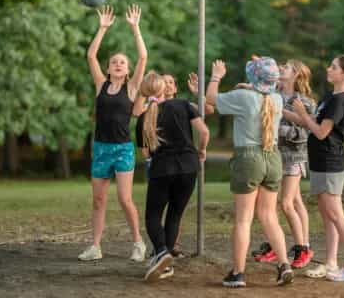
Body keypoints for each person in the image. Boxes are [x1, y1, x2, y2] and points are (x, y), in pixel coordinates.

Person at [206, 56, 294, 288]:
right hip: (273, 157)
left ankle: (238, 273)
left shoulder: (243, 97)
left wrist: (216, 76)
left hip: (249, 157)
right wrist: (251, 84)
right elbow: (261, 92)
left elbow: (210, 99)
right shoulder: (276, 98)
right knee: (269, 216)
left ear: (252, 79)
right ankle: (284, 264)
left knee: (243, 220)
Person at [289, 54, 344, 282]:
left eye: (333, 67)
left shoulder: (340, 100)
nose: (328, 68)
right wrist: (277, 110)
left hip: (330, 163)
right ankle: (331, 263)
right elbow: (309, 122)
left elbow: (322, 132)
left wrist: (303, 114)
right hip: (320, 163)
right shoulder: (329, 97)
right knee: (327, 215)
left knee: (336, 215)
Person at [78, 4, 148, 262]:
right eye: (114, 62)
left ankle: (138, 243)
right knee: (98, 200)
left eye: (122, 62)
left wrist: (135, 28)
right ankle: (95, 247)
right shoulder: (101, 84)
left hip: (122, 149)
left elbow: (143, 58)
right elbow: (90, 56)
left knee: (125, 198)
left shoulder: (131, 88)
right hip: (101, 148)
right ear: (108, 69)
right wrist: (102, 29)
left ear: (127, 70)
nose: (118, 64)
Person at [135, 71, 210, 281]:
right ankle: (165, 263)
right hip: (188, 166)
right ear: (164, 89)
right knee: (175, 215)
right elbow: (204, 133)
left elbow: (146, 153)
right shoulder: (184, 105)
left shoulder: (143, 118)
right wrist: (201, 151)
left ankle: (161, 252)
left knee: (152, 216)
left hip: (162, 169)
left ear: (144, 92)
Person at [253, 60, 315, 269]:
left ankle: (302, 248)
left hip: (293, 159)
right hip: (274, 157)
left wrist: (278, 128)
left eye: (286, 67)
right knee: (275, 205)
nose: (281, 69)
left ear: (296, 75)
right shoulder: (275, 94)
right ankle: (274, 247)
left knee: (287, 204)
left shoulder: (304, 102)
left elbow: (305, 132)